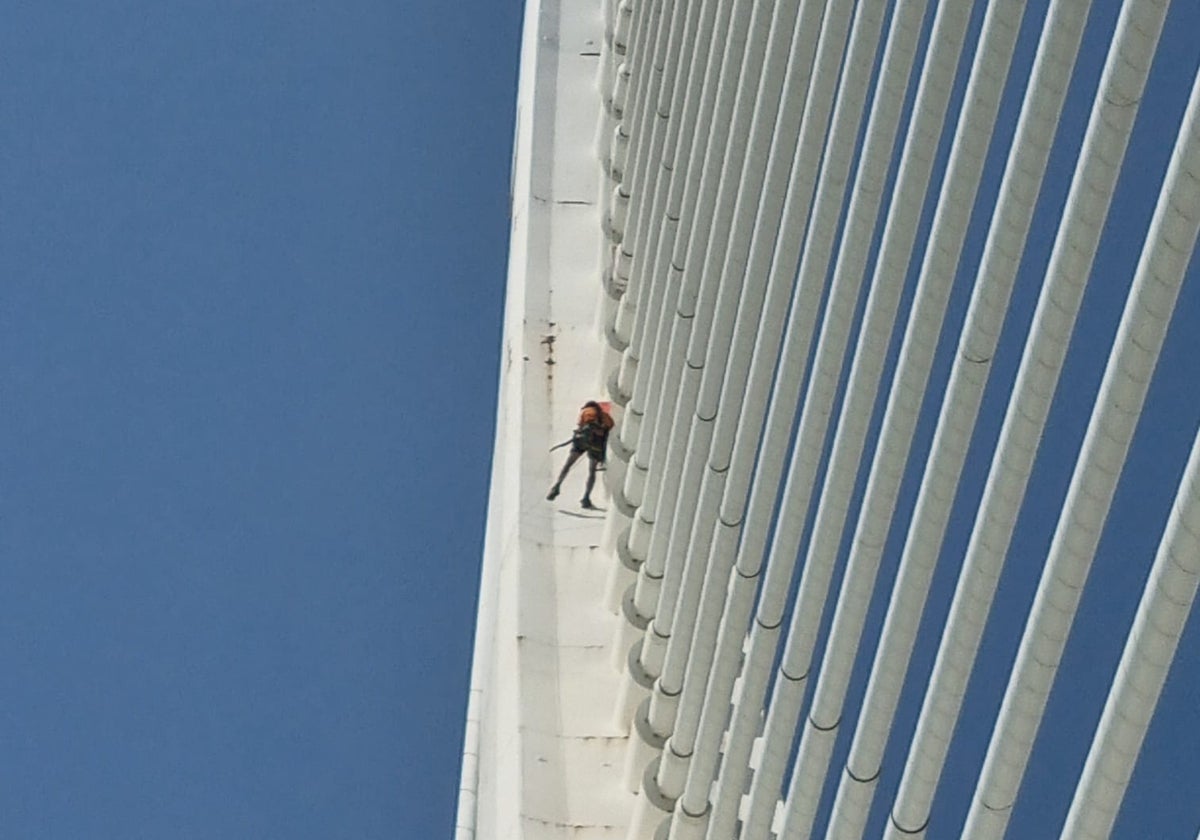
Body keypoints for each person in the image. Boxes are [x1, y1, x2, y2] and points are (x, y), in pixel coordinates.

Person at [547, 400, 615, 509]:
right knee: (592, 471)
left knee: (568, 465)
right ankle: (586, 498)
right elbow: (610, 427)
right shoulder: (605, 416)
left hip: (582, 441)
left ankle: (556, 486)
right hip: (596, 445)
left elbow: (580, 426)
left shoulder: (586, 411)